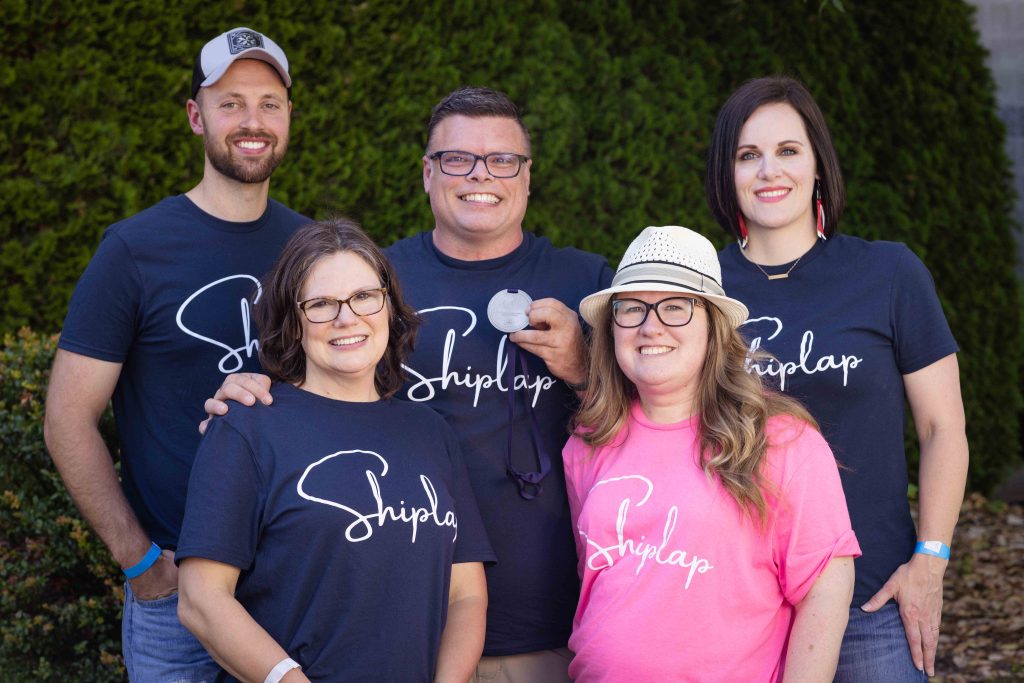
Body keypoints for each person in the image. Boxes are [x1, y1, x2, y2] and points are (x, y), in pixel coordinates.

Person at [206, 87, 614, 682]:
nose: (482, 175)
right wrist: (241, 395)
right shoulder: (373, 286)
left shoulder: (588, 283)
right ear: (427, 173)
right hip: (404, 640)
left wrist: (584, 366)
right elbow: (296, 406)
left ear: (527, 176)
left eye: (502, 159)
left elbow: (653, 428)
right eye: (457, 159)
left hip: (557, 628)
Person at [43, 27, 308, 680]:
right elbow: (66, 419)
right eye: (231, 102)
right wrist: (139, 561)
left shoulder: (314, 248)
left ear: (289, 118)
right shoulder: (134, 250)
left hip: (292, 575)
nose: (253, 121)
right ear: (196, 116)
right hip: (176, 590)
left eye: (269, 103)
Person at [707, 76, 969, 681]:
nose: (769, 171)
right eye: (748, 155)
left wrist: (930, 562)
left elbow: (943, 427)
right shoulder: (701, 291)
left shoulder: (888, 273)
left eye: (788, 151)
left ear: (819, 165)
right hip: (736, 606)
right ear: (727, 173)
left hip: (870, 601)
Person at [176, 219, 493, 682]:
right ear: (292, 320)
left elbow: (466, 594)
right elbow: (201, 599)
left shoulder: (429, 432)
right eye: (322, 304)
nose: (348, 318)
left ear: (389, 305)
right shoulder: (248, 426)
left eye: (365, 296)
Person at [565, 225, 862, 682]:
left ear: (714, 328)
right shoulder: (589, 440)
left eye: (676, 307)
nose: (650, 325)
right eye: (631, 309)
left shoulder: (781, 440)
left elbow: (825, 589)